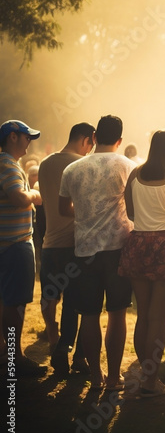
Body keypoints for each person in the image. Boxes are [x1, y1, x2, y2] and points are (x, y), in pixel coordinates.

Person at [59, 115, 135, 391]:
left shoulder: (73, 169)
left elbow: (62, 209)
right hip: (118, 250)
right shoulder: (129, 166)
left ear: (94, 138)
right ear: (119, 140)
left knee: (89, 316)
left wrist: (85, 212)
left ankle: (95, 377)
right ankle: (114, 378)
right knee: (117, 315)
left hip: (84, 251)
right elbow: (135, 207)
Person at [119, 130, 165, 397]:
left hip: (137, 244)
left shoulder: (134, 174)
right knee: (159, 318)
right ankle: (151, 381)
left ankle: (145, 375)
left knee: (143, 315)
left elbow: (132, 213)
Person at [38, 122, 95, 375]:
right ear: (85, 139)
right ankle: (72, 352)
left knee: (50, 295)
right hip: (75, 243)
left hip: (50, 244)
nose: (90, 150)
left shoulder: (44, 163)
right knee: (76, 301)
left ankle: (54, 339)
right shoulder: (81, 165)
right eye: (91, 144)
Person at [0, 119, 47, 376]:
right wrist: (36, 195)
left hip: (7, 243)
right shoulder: (7, 164)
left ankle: (5, 354)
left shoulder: (8, 164)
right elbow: (19, 197)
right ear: (13, 137)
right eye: (27, 136)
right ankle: (14, 358)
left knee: (5, 301)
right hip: (15, 245)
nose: (29, 142)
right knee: (15, 304)